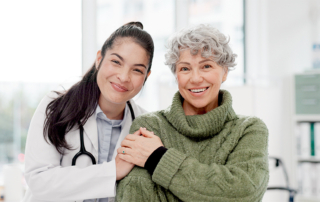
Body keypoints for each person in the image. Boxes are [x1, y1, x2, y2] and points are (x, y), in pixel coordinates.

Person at [116, 24, 269, 202]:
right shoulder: (150, 126)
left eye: (206, 66)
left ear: (225, 71)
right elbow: (134, 197)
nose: (195, 79)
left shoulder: (248, 129)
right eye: (185, 69)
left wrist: (158, 158)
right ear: (176, 75)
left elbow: (244, 192)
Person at [22, 22, 154, 202]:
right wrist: (112, 172)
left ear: (146, 77)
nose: (124, 77)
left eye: (137, 70)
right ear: (99, 59)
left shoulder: (147, 128)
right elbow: (38, 182)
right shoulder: (55, 107)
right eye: (116, 62)